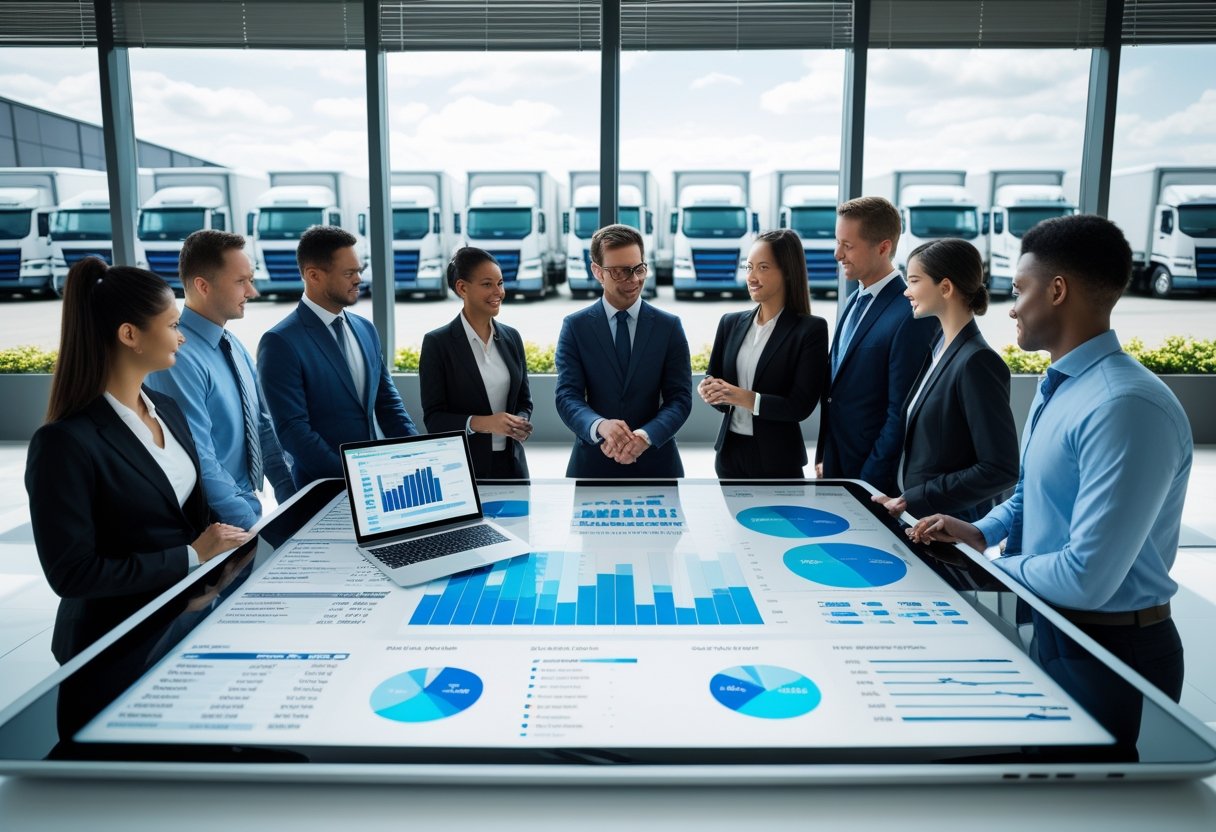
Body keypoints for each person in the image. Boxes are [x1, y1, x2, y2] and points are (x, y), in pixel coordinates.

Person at [908, 214, 1191, 710]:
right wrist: (981, 532)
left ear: (1057, 290)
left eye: (1020, 290)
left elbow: (1086, 577)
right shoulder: (1061, 385)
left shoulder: (1124, 406)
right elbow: (1031, 493)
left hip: (1111, 649)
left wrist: (992, 567)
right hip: (1054, 623)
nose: (1011, 308)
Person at [24, 258, 247, 663]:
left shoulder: (166, 408)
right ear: (130, 334)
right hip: (114, 642)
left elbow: (184, 512)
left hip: (184, 617)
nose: (182, 337)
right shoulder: (64, 443)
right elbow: (72, 574)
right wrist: (192, 556)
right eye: (173, 325)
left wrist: (230, 551)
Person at [146, 230, 295, 528]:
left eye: (250, 280)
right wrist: (248, 524)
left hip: (245, 508)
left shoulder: (233, 345)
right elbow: (199, 458)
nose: (252, 292)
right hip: (213, 522)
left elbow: (262, 428)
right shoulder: (177, 357)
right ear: (203, 286)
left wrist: (293, 500)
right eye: (241, 282)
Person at [870, 238, 1019, 521]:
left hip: (950, 525)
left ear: (946, 287)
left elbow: (1000, 468)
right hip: (919, 519)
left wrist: (915, 498)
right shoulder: (937, 348)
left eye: (914, 281)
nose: (906, 291)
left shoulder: (977, 361)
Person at [258, 225, 418, 489]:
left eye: (359, 271)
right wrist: (352, 478)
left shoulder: (365, 329)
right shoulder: (280, 342)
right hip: (328, 487)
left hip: (382, 480)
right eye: (349, 273)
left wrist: (418, 455)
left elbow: (389, 404)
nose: (359, 279)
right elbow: (294, 431)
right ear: (313, 275)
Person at [816, 196, 938, 495]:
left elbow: (900, 412)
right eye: (837, 242)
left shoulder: (910, 313)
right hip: (836, 466)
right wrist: (824, 455)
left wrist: (869, 482)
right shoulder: (853, 300)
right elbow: (836, 392)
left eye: (848, 245)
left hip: (871, 480)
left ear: (883, 247)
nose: (837, 254)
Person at [555, 223, 691, 478]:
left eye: (638, 269)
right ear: (597, 271)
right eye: (620, 272)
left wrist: (645, 436)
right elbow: (567, 396)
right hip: (593, 462)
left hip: (657, 463)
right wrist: (600, 426)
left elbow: (680, 399)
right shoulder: (575, 327)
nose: (634, 279)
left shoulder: (669, 327)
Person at [698, 229, 829, 478]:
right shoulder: (730, 323)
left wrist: (743, 397)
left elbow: (800, 406)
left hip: (778, 460)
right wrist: (710, 390)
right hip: (729, 455)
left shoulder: (810, 330)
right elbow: (714, 380)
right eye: (749, 267)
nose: (751, 276)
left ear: (787, 271)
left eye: (763, 267)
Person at [419, 247, 534, 479]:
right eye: (487, 284)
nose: (498, 292)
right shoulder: (437, 343)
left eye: (500, 283)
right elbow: (434, 420)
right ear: (462, 288)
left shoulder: (512, 337)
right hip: (463, 469)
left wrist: (519, 422)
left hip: (512, 465)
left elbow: (524, 400)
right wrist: (485, 423)